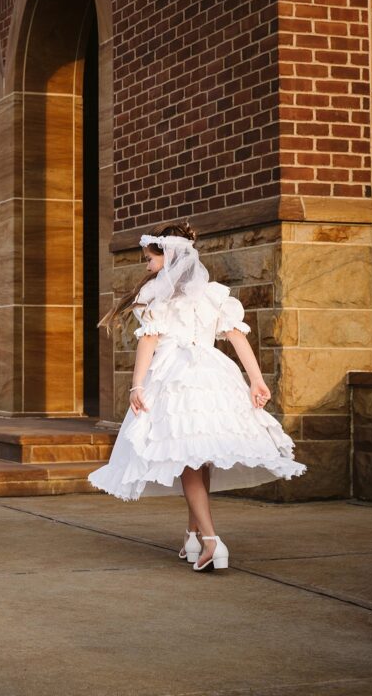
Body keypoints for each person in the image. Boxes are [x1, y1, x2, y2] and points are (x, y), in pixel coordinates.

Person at [87, 220, 307, 571]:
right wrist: (255, 380)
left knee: (190, 458)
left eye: (149, 259)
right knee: (197, 456)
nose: (147, 265)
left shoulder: (156, 295)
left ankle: (211, 542)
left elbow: (149, 342)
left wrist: (137, 385)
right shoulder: (213, 294)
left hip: (176, 377)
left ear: (169, 256)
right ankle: (192, 536)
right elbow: (236, 338)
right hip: (212, 372)